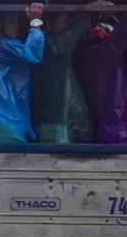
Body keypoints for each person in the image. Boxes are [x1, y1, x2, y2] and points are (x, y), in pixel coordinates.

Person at [76, 0, 127, 143]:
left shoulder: (88, 52)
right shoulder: (101, 51)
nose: (103, 28)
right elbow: (121, 35)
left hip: (105, 122)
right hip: (114, 123)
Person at [30, 10, 95, 142]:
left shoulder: (70, 52)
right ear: (49, 24)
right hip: (54, 120)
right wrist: (85, 14)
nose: (68, 29)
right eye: (65, 23)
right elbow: (62, 44)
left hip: (75, 120)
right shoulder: (48, 44)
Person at [0, 3, 45, 143]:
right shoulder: (0, 44)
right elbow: (33, 54)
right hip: (5, 119)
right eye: (12, 22)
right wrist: (35, 22)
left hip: (9, 118)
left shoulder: (1, 45)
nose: (18, 27)